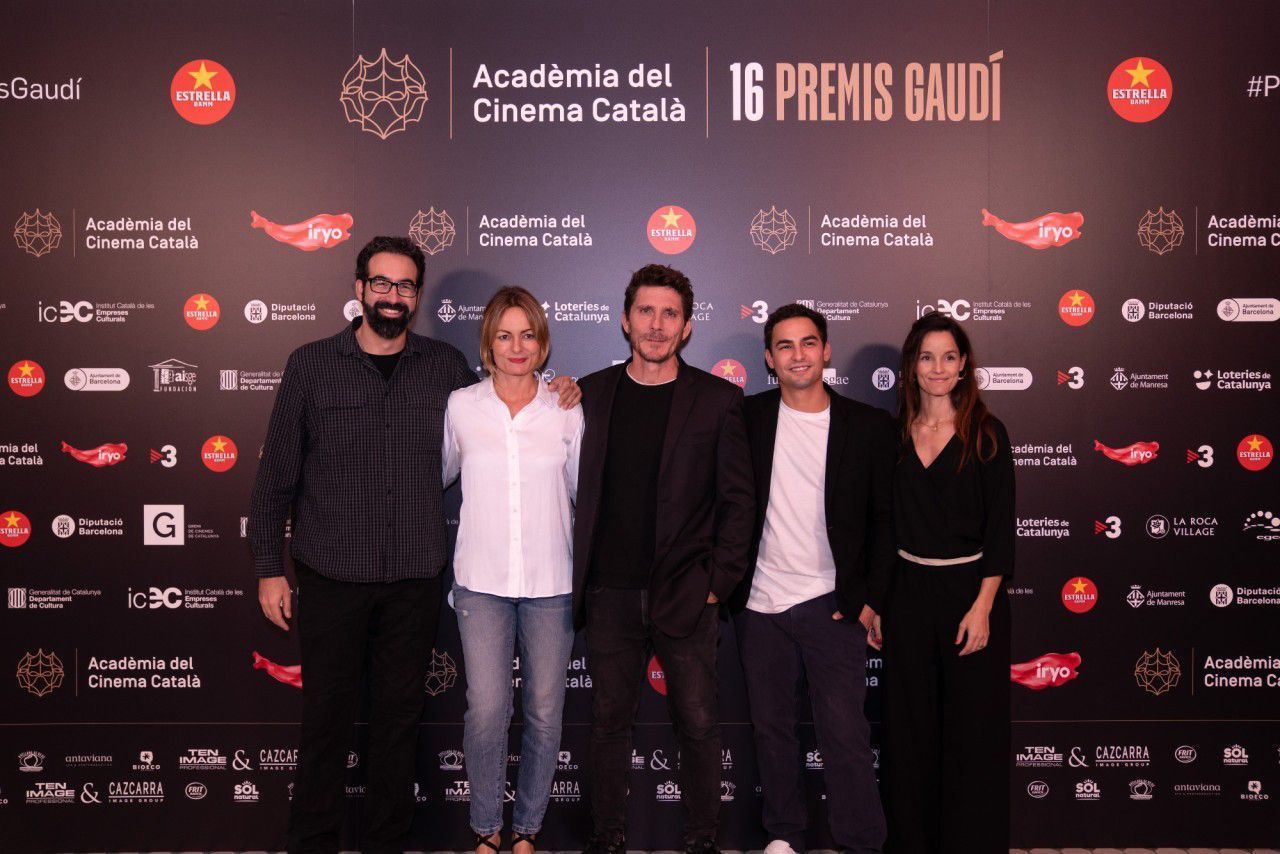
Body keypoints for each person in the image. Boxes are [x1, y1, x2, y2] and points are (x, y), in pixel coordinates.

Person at [248, 236, 579, 854]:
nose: (392, 296)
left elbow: (500, 414)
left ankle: (385, 845)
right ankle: (312, 843)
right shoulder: (310, 365)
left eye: (405, 286)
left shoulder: (446, 369)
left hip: (412, 580)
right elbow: (276, 477)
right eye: (382, 283)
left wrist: (561, 389)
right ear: (359, 289)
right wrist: (269, 566)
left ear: (417, 296)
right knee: (325, 723)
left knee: (398, 727)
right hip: (331, 575)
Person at [573, 263, 755, 854]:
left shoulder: (718, 400)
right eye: (646, 312)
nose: (657, 325)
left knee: (698, 724)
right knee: (608, 724)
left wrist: (717, 583)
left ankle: (702, 840)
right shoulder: (590, 394)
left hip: (687, 591)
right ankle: (607, 839)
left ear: (687, 326)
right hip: (608, 592)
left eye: (669, 314)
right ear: (625, 321)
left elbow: (738, 502)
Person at [731, 304, 893, 854]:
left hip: (834, 603)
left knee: (845, 733)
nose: (797, 355)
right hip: (760, 604)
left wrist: (870, 598)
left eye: (807, 343)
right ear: (768, 358)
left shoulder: (868, 426)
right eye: (784, 345)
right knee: (772, 731)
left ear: (826, 351)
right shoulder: (747, 418)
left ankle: (862, 842)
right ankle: (784, 835)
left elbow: (884, 520)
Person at [442, 286, 584, 854]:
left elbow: (584, 492)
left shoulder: (566, 409)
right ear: (489, 344)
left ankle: (527, 829)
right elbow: (439, 475)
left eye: (527, 335)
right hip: (481, 584)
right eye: (505, 335)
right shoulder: (460, 406)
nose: (517, 346)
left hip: (552, 584)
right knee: (486, 712)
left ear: (542, 343)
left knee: (545, 713)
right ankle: (486, 829)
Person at [877, 312, 1014, 854]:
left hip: (969, 598)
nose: (937, 368)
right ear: (912, 366)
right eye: (927, 357)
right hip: (908, 597)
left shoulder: (987, 434)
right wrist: (879, 604)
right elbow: (884, 527)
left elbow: (1001, 530)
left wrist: (983, 606)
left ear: (963, 366)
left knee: (971, 734)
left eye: (949, 357)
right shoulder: (893, 436)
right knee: (909, 734)